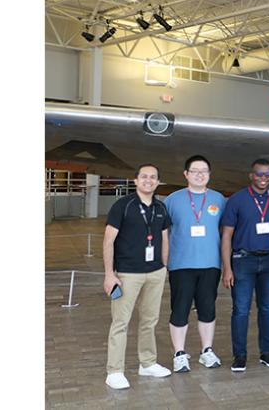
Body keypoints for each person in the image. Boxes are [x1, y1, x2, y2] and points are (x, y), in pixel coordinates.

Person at [102, 164, 173, 389]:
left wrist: (164, 266)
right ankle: (114, 371)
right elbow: (108, 241)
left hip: (155, 273)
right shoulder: (123, 206)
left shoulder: (161, 207)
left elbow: (164, 238)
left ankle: (148, 362)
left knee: (150, 320)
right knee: (120, 322)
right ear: (135, 180)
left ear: (158, 182)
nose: (148, 180)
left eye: (153, 177)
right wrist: (108, 274)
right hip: (126, 274)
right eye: (144, 177)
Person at [165, 155, 227, 372]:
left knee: (207, 309)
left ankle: (207, 350)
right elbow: (164, 232)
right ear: (186, 174)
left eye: (204, 171)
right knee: (180, 310)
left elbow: (225, 231)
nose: (200, 175)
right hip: (181, 265)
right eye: (195, 171)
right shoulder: (172, 200)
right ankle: (179, 353)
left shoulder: (219, 200)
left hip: (211, 264)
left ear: (209, 175)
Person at [219, 159, 269, 372]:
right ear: (251, 175)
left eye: (267, 175)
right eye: (259, 174)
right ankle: (240, 355)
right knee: (241, 310)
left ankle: (267, 352)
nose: (263, 179)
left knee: (267, 309)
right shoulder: (237, 200)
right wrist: (227, 268)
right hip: (243, 261)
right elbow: (226, 236)